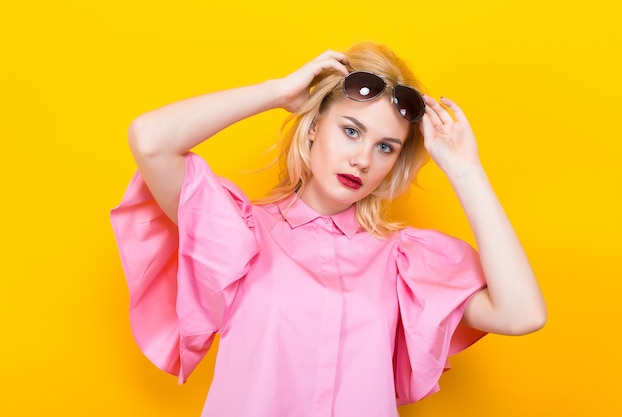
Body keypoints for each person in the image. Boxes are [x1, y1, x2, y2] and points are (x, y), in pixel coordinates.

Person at [111, 42, 546, 417]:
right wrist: (277, 93)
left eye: (385, 147)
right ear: (316, 125)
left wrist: (467, 171)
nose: (363, 160)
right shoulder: (238, 229)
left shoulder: (403, 263)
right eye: (351, 130)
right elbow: (149, 138)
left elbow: (522, 313)